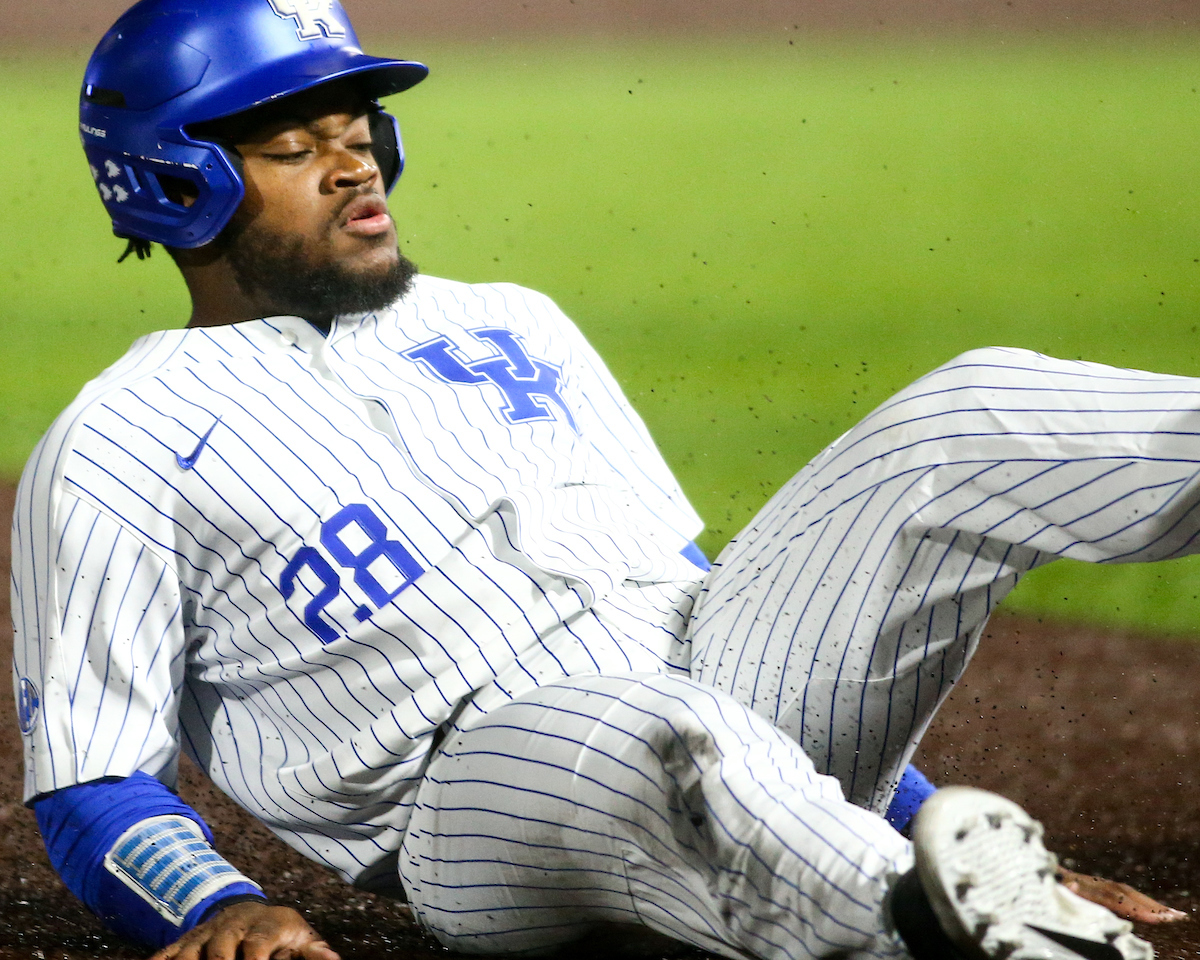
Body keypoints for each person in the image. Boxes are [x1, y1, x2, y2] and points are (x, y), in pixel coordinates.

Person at [10, 1, 1189, 958]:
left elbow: (696, 591)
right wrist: (213, 908)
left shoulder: (512, 322)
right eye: (294, 144)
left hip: (710, 696)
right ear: (174, 181)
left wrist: (925, 813)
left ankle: (956, 889)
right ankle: (937, 920)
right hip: (477, 809)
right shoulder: (122, 440)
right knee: (648, 722)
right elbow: (90, 774)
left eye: (358, 127)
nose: (355, 162)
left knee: (966, 410)